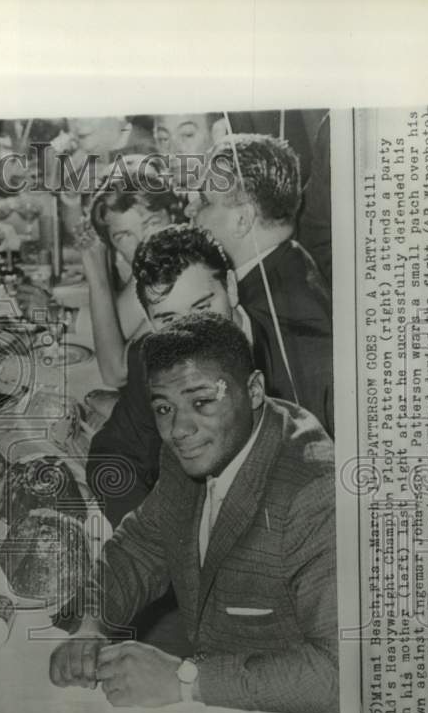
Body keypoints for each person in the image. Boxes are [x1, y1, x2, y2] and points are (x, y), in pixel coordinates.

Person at [52, 313, 337, 713]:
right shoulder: (201, 440)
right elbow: (143, 543)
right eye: (164, 408)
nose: (179, 429)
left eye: (202, 402)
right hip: (225, 708)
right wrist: (91, 623)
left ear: (254, 390)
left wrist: (185, 680)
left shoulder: (315, 491)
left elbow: (340, 674)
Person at [86, 225, 252, 526]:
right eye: (169, 320)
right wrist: (147, 540)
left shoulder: (294, 360)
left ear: (230, 287)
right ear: (149, 321)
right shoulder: (149, 358)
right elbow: (115, 454)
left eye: (203, 308)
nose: (192, 335)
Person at [186, 133, 334, 436]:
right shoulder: (292, 262)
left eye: (203, 200)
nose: (190, 211)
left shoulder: (269, 316)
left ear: (242, 220)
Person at [81, 161, 184, 387]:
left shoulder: (182, 275)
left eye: (151, 224)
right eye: (124, 236)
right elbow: (115, 328)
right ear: (111, 246)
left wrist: (98, 279)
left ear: (174, 217)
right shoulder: (152, 271)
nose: (143, 243)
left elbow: (115, 373)